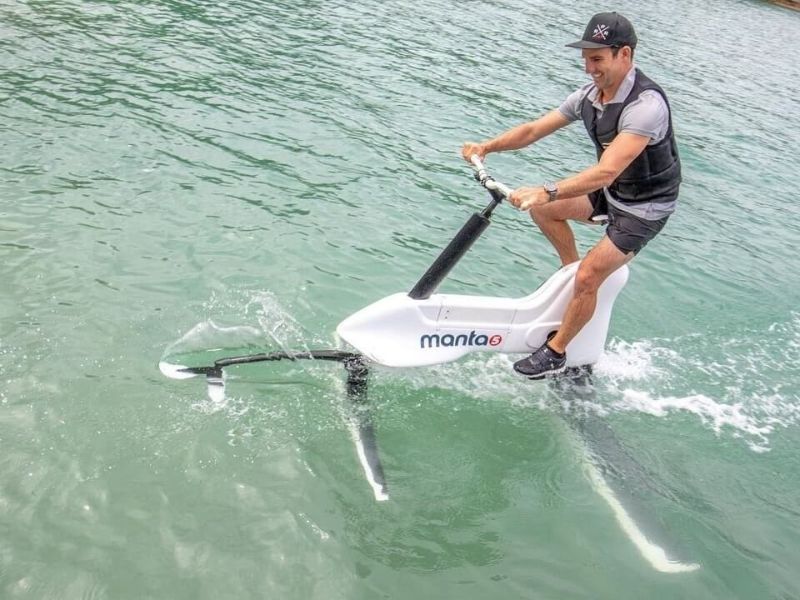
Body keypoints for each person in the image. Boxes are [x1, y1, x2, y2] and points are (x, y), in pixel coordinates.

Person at [461, 12, 681, 379]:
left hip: (644, 209)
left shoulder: (646, 106)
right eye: (585, 58)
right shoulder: (588, 97)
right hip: (612, 192)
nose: (589, 68)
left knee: (589, 273)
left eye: (597, 59)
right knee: (546, 214)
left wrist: (546, 191)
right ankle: (573, 282)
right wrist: (486, 147)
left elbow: (606, 171)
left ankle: (558, 351)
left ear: (624, 54)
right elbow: (533, 130)